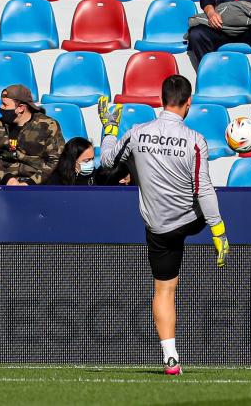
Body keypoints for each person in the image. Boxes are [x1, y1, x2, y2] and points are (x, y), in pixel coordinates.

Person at [98, 77, 228, 376]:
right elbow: (204, 189)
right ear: (188, 102)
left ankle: (170, 357)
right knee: (200, 189)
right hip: (189, 220)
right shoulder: (195, 140)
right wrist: (218, 231)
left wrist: (109, 128)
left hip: (158, 226)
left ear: (161, 99)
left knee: (164, 290)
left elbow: (106, 161)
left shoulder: (136, 133)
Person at [0, 84, 64, 186]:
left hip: (36, 180)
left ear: (20, 108)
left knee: (56, 179)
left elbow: (54, 160)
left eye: (5, 105)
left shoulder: (48, 125)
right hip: (6, 180)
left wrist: (30, 182)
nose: (1, 107)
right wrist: (7, 178)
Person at [45, 137, 132, 186]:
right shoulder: (56, 179)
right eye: (87, 160)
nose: (91, 163)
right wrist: (76, 177)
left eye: (92, 159)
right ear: (72, 160)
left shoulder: (96, 175)